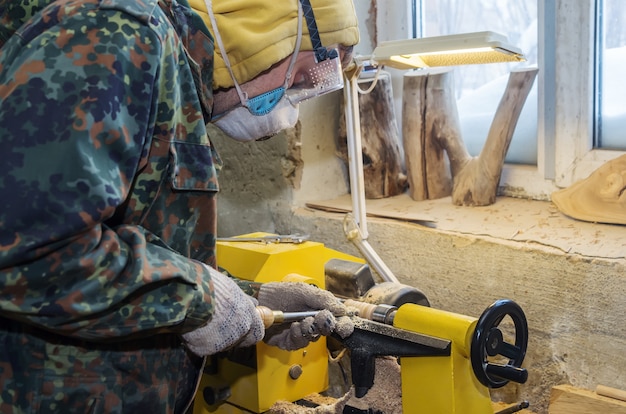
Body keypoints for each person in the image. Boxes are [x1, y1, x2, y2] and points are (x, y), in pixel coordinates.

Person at [0, 0, 359, 412]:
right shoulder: (125, 35)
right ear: (262, 34)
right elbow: (31, 251)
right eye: (302, 72)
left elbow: (131, 244)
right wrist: (201, 301)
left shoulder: (177, 80)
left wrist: (253, 302)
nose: (294, 100)